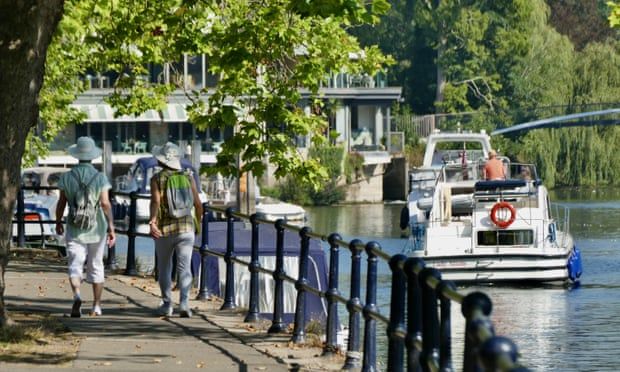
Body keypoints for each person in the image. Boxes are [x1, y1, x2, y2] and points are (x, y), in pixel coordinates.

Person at [55, 137, 116, 317]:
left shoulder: (67, 177)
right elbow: (105, 203)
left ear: (77, 155)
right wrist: (111, 227)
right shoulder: (100, 177)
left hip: (74, 227)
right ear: (92, 156)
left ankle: (77, 295)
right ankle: (96, 305)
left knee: (75, 264)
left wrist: (58, 221)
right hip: (97, 228)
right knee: (96, 264)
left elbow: (61, 203)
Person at [148, 142, 203, 318]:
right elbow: (198, 204)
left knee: (164, 266)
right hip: (186, 227)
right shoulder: (188, 176)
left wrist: (152, 221)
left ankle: (167, 304)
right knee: (184, 267)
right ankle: (185, 304)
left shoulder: (157, 178)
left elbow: (156, 201)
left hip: (165, 229)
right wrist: (197, 222)